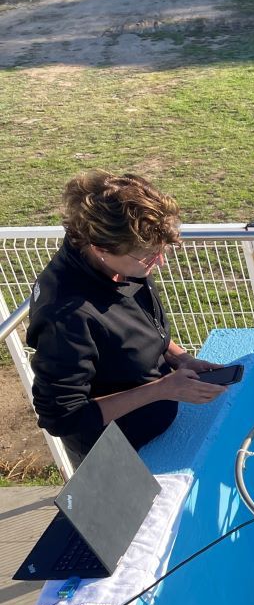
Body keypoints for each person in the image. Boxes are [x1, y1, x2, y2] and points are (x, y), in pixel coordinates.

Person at [26, 171, 226, 468]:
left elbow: (135, 328)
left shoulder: (119, 260)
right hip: (116, 456)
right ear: (100, 249)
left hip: (156, 429)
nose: (159, 262)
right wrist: (162, 389)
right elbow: (63, 417)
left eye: (162, 251)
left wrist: (180, 358)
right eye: (148, 256)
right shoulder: (66, 317)